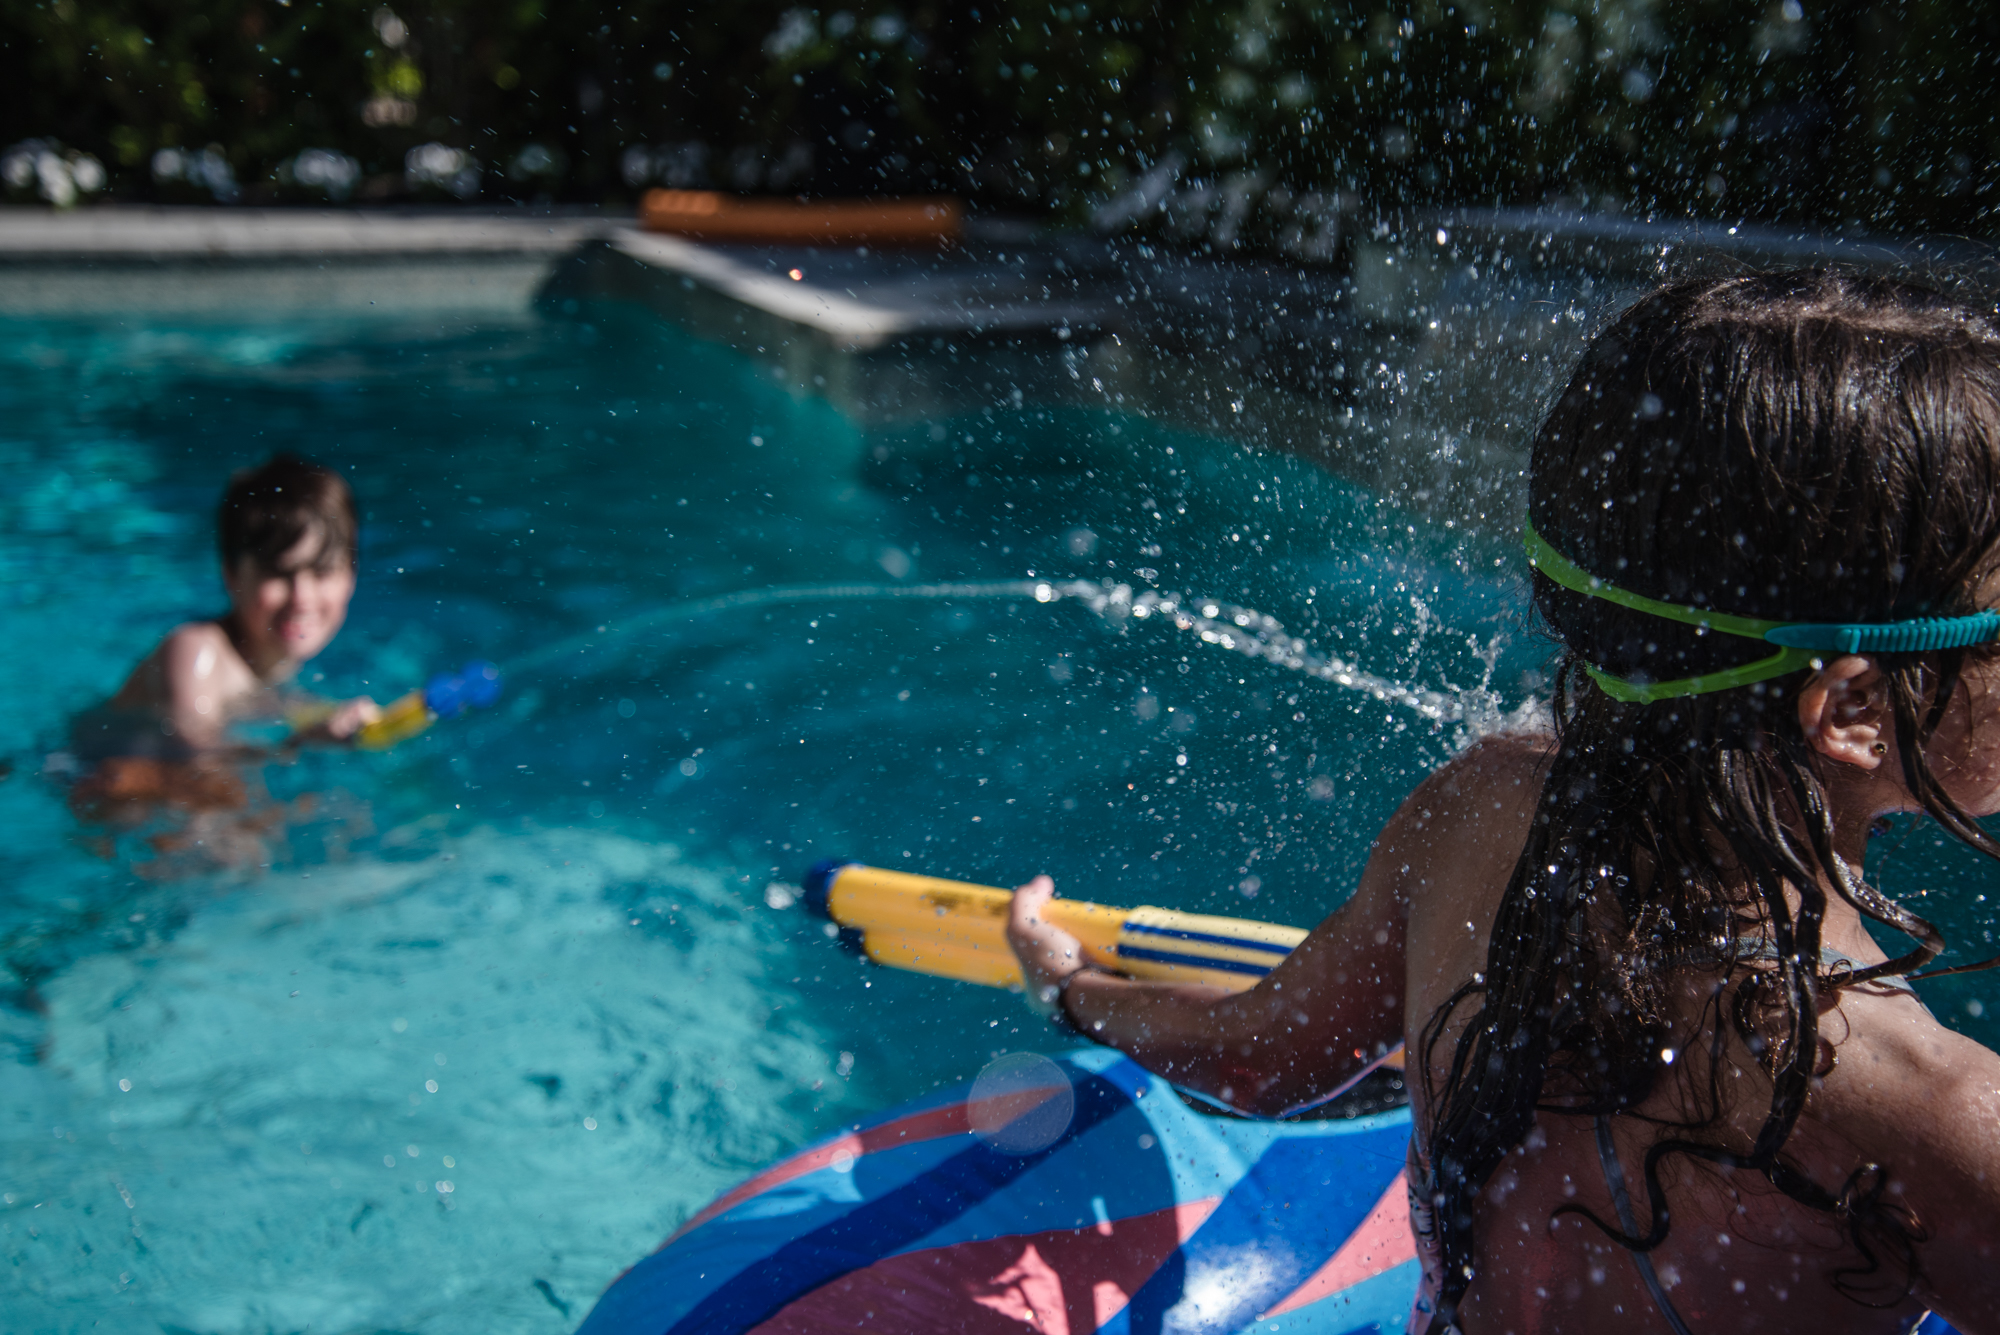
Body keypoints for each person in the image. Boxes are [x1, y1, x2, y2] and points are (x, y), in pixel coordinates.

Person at [1007, 271, 2000, 1332]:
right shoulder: (1934, 1113)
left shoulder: (1476, 808)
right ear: (1848, 707)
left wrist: (1072, 987)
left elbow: (1257, 1059)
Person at [102, 453, 379, 753]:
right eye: (278, 574)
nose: (302, 598)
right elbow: (199, 768)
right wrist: (300, 740)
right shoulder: (196, 652)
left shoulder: (280, 677)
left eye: (322, 571)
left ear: (351, 575)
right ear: (232, 576)